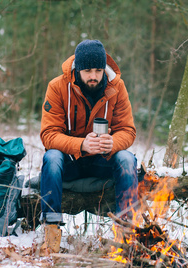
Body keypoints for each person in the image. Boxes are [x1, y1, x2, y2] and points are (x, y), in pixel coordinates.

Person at [39, 39, 138, 255]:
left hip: (101, 162)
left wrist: (114, 143)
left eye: (98, 70)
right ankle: (51, 232)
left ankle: (127, 237)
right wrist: (81, 145)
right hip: (71, 162)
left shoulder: (116, 88)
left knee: (127, 159)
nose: (93, 76)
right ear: (77, 69)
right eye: (87, 71)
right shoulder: (57, 87)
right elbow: (48, 134)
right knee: (52, 157)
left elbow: (128, 130)